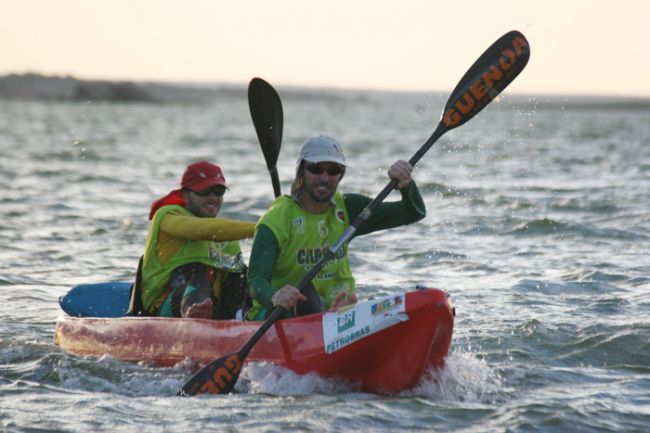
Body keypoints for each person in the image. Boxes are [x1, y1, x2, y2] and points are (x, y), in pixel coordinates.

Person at [246, 135, 426, 320]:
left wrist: (407, 186)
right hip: (279, 316)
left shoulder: (349, 207)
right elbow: (255, 281)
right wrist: (274, 296)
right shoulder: (276, 220)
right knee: (305, 297)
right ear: (301, 172)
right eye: (316, 169)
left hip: (338, 313)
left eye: (333, 171)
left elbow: (413, 212)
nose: (324, 178)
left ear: (341, 175)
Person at [139, 161, 256, 319]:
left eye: (219, 191)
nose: (213, 197)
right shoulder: (167, 216)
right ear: (186, 194)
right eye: (205, 191)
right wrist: (264, 228)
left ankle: (238, 320)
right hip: (165, 310)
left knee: (244, 277)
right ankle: (194, 312)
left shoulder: (227, 236)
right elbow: (201, 230)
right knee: (198, 276)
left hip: (214, 309)